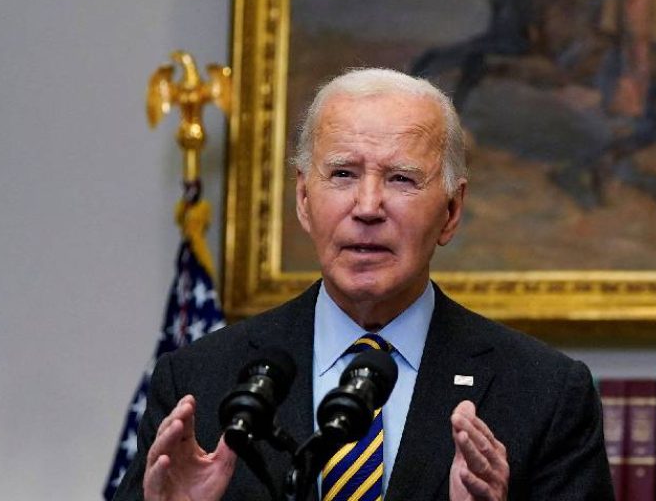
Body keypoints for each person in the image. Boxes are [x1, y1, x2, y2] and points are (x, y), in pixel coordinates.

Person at [115, 68, 613, 501]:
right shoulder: (201, 381)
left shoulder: (546, 393)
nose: (368, 207)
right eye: (343, 174)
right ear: (304, 200)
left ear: (451, 211)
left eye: (400, 178)